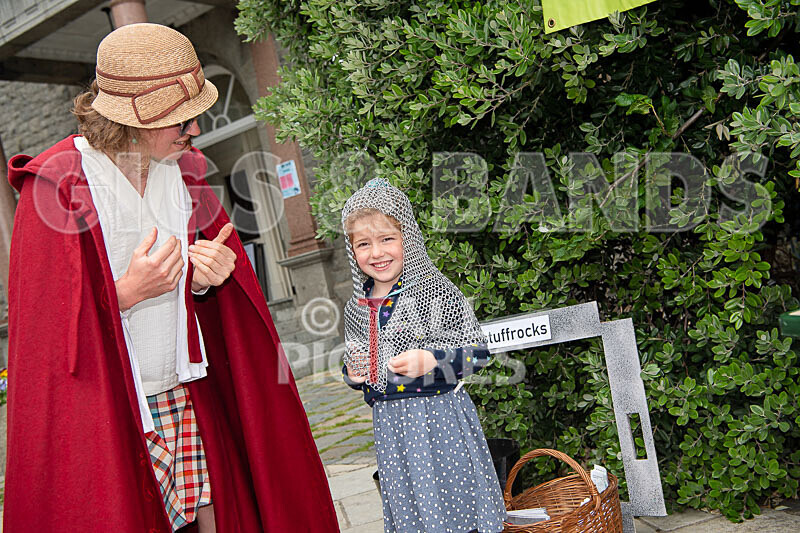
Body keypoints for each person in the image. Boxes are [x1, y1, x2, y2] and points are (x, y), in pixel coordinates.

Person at [4, 23, 338, 532]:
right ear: (131, 120)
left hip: (184, 392)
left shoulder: (183, 171)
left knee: (212, 510)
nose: (195, 130)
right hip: (107, 409)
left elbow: (203, 294)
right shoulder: (56, 184)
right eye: (180, 119)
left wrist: (207, 280)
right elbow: (45, 335)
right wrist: (124, 294)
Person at [340, 178, 507, 533]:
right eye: (364, 244)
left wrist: (432, 361)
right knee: (413, 506)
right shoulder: (357, 306)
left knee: (454, 500)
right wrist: (353, 373)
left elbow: (476, 353)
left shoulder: (435, 290)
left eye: (387, 239)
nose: (377, 252)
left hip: (439, 420)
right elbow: (358, 362)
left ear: (408, 239)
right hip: (392, 427)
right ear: (352, 251)